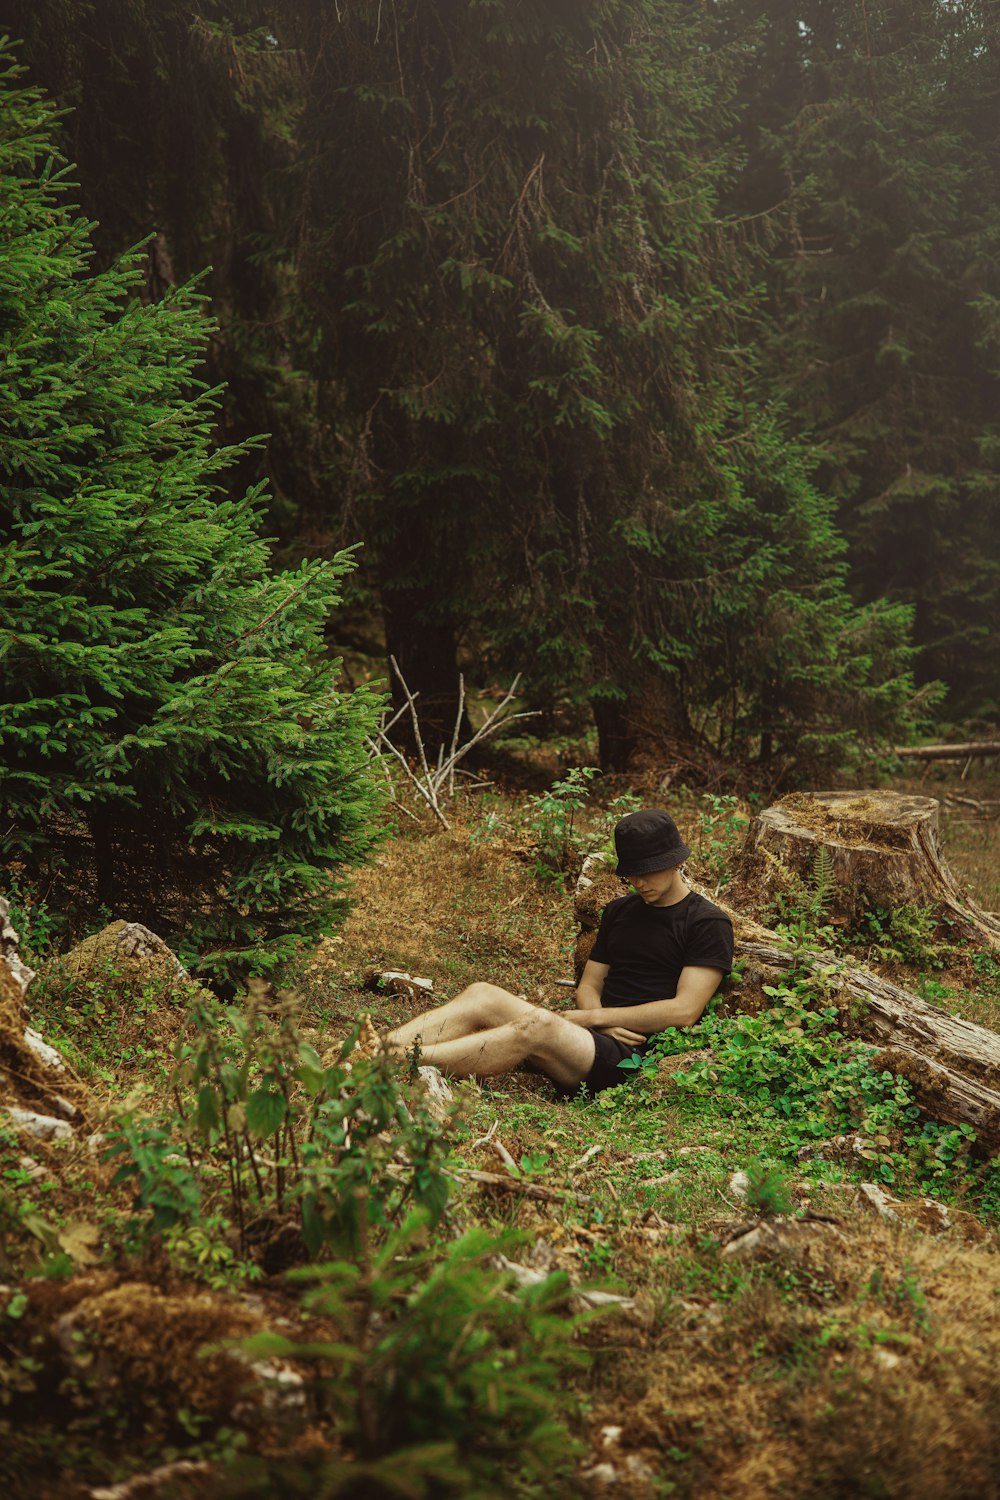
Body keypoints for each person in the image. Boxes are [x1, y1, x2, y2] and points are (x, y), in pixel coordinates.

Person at [385, 808, 734, 1097]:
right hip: (594, 1038)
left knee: (538, 1024)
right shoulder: (619, 911)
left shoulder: (707, 922)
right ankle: (382, 1047)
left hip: (635, 1056)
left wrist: (595, 1020)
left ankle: (401, 1061)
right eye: (631, 873)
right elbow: (590, 985)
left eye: (648, 871)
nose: (639, 882)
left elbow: (685, 1010)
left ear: (675, 862)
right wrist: (599, 1021)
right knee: (481, 994)